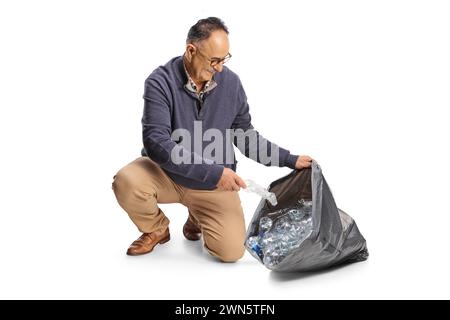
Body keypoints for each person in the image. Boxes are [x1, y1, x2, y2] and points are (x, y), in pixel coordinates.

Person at [112, 17, 313, 262]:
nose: (219, 67)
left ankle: (196, 217)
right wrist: (215, 172)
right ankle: (156, 228)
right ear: (191, 50)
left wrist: (290, 160)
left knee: (231, 253)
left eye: (224, 59)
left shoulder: (231, 84)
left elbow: (246, 136)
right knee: (127, 181)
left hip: (212, 185)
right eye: (214, 60)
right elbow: (157, 142)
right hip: (167, 174)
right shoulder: (160, 82)